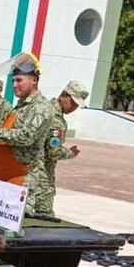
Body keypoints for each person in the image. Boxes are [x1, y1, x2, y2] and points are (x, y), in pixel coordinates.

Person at [0, 52, 55, 267]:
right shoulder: (20, 106)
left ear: (34, 80)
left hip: (22, 176)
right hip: (4, 176)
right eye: (13, 81)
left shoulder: (42, 108)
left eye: (19, 80)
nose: (15, 85)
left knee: (15, 229)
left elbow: (26, 137)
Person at [34, 80, 88, 216]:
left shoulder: (44, 107)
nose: (74, 108)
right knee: (42, 218)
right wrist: (70, 153)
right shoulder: (56, 120)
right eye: (73, 103)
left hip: (30, 174)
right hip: (41, 180)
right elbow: (54, 153)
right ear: (64, 95)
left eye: (77, 105)